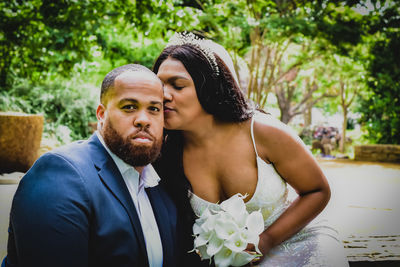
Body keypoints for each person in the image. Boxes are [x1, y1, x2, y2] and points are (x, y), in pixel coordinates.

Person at [153, 33, 349, 266]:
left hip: (299, 246)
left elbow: (317, 190)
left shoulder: (263, 132)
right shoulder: (165, 153)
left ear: (209, 87)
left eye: (177, 85)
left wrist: (267, 239)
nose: (163, 95)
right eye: (159, 86)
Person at [2, 64, 179, 267]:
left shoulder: (161, 187)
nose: (143, 120)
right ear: (101, 114)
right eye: (129, 107)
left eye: (154, 109)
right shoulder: (60, 174)